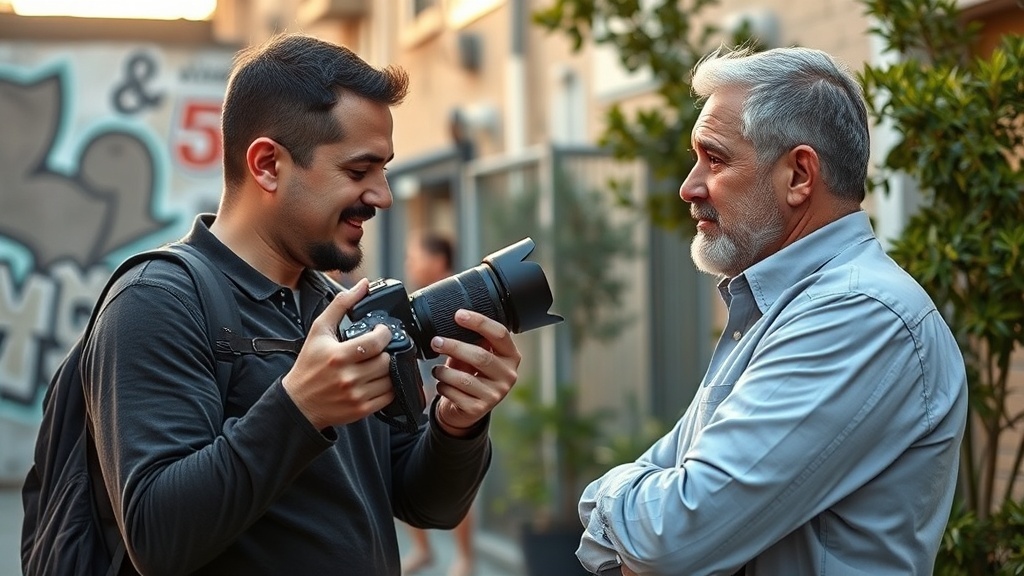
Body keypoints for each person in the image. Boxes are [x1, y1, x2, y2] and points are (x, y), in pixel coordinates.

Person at [81, 32, 522, 575]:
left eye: (383, 169)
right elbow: (156, 537)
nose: (383, 195)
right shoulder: (155, 302)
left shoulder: (340, 306)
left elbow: (425, 504)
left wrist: (457, 428)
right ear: (267, 164)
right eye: (359, 171)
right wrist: (299, 410)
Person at [575, 46, 968, 576]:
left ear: (799, 175)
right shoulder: (784, 305)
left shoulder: (856, 315)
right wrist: (638, 527)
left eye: (714, 158)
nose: (688, 187)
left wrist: (611, 501)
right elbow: (665, 509)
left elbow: (673, 537)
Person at [398, 231, 477, 576]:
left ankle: (465, 557)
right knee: (401, 469)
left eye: (414, 256)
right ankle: (424, 550)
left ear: (439, 261)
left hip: (453, 404)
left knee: (452, 480)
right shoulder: (418, 303)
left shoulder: (452, 301)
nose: (409, 264)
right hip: (424, 402)